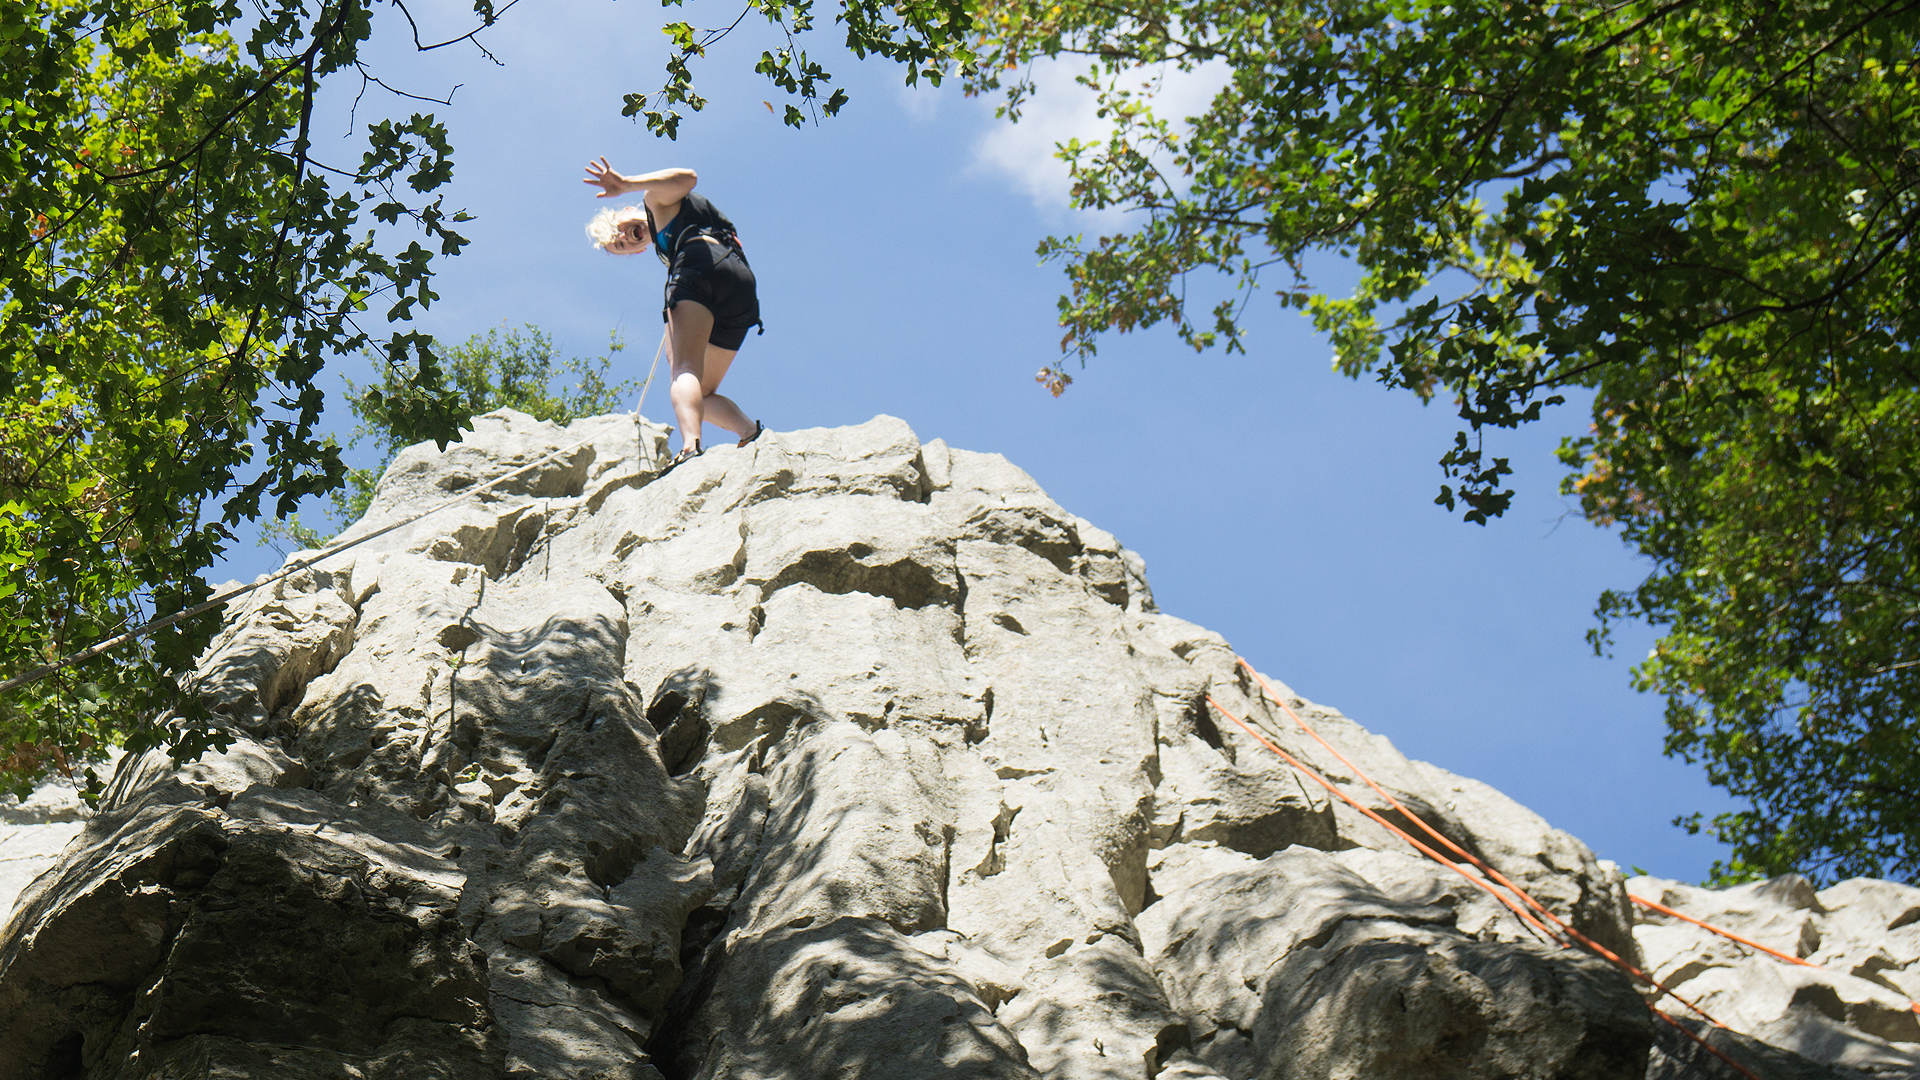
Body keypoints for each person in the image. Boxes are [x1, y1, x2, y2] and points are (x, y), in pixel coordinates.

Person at [583, 160, 764, 471]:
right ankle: (751, 435)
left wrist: (626, 183)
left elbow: (687, 178)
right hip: (739, 284)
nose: (626, 239)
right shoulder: (667, 241)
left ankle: (690, 447)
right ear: (637, 252)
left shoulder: (655, 201)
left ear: (626, 213)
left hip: (699, 268)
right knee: (702, 393)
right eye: (622, 246)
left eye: (620, 233)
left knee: (683, 371)